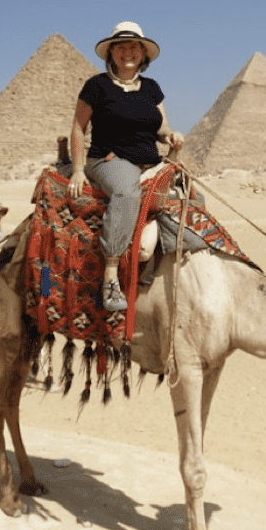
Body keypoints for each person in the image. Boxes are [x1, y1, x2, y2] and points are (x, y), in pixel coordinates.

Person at [68, 21, 184, 312]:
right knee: (127, 192)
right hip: (109, 159)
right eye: (121, 47)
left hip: (150, 160)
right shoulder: (96, 86)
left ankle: (171, 272)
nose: (128, 52)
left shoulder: (152, 88)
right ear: (112, 53)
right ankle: (110, 275)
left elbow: (162, 126)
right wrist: (79, 169)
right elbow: (78, 128)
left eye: (134, 47)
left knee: (192, 198)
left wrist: (171, 136)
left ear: (144, 54)